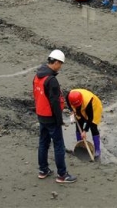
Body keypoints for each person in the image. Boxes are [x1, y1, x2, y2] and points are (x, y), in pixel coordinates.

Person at [34, 50, 76, 183]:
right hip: (51, 117)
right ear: (56, 62)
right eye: (61, 64)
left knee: (43, 143)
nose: (60, 67)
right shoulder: (51, 80)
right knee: (58, 146)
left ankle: (43, 170)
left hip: (41, 115)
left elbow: (36, 95)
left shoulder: (37, 76)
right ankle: (62, 175)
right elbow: (55, 102)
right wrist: (60, 120)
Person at [67, 89, 103, 159]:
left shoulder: (88, 102)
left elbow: (90, 118)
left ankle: (97, 150)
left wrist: (84, 131)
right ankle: (80, 145)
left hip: (94, 107)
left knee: (93, 126)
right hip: (80, 106)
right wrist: (71, 110)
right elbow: (68, 103)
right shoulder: (69, 96)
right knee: (79, 121)